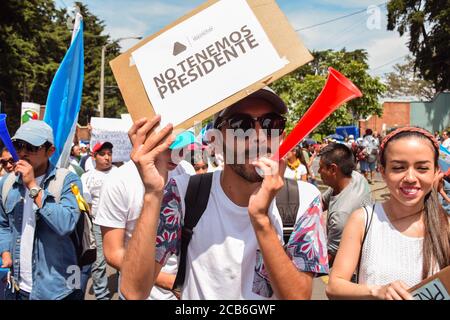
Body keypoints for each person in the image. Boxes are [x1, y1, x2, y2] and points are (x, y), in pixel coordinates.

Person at [119, 87, 329, 300]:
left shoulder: (303, 199)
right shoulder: (183, 193)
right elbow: (133, 291)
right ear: (216, 140)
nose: (258, 137)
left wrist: (261, 220)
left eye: (270, 124)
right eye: (241, 125)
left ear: (281, 136)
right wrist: (152, 193)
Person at [326, 127, 450, 300]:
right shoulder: (363, 219)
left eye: (422, 168)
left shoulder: (446, 226)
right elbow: (334, 286)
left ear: (436, 172)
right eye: (398, 168)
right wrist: (376, 291)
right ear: (382, 171)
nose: (410, 178)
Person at [95, 144, 197, 300]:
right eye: (171, 146)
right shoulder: (118, 181)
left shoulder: (187, 171)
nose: (178, 154)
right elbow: (113, 252)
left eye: (183, 146)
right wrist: (169, 282)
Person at [0, 120, 84, 300]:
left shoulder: (67, 180)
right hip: (17, 286)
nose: (22, 153)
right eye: (18, 145)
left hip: (59, 289)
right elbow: (3, 224)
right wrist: (5, 251)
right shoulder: (7, 184)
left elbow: (66, 224)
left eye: (31, 147)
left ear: (50, 151)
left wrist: (32, 186)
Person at [318, 143, 372, 267]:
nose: (318, 171)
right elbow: (322, 203)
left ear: (333, 169)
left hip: (353, 268)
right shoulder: (354, 177)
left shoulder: (341, 214)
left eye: (321, 167)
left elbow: (331, 257)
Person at [81, 141, 116, 300]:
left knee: (123, 260)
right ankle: (102, 296)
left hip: (118, 224)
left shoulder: (119, 172)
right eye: (102, 154)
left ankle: (124, 292)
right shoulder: (86, 177)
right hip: (97, 224)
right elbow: (85, 203)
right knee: (99, 262)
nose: (107, 157)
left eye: (109, 153)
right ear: (94, 156)